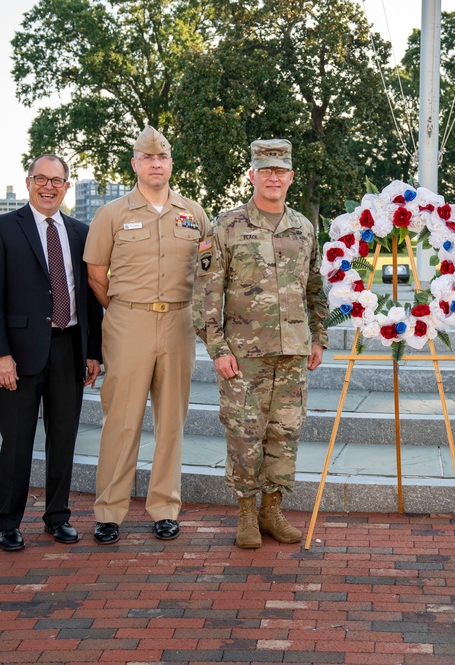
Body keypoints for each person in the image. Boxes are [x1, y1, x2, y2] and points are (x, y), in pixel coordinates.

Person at [194, 138, 328, 549]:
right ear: (252, 175)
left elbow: (314, 287)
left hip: (292, 353)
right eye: (265, 170)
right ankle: (247, 514)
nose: (273, 177)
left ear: (290, 177)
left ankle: (273, 511)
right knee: (244, 434)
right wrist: (217, 350)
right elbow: (206, 294)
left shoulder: (304, 227)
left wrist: (318, 337)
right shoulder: (226, 226)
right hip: (243, 357)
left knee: (285, 433)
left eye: (280, 170)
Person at [84, 126, 211, 545]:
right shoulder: (112, 214)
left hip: (178, 323)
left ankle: (164, 508)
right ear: (135, 164)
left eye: (163, 158)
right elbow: (96, 274)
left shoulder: (193, 213)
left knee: (171, 420)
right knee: (121, 420)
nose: (156, 164)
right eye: (147, 158)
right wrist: (123, 312)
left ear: (171, 163)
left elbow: (208, 272)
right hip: (128, 323)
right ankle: (109, 511)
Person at [0, 154, 103, 551]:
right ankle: (8, 522)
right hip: (19, 354)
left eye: (57, 180)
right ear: (28, 182)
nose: (49, 186)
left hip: (69, 348)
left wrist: (93, 352)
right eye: (41, 178)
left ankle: (57, 517)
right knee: (17, 441)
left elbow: (90, 299)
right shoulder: (0, 229)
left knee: (63, 438)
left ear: (67, 186)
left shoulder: (81, 233)